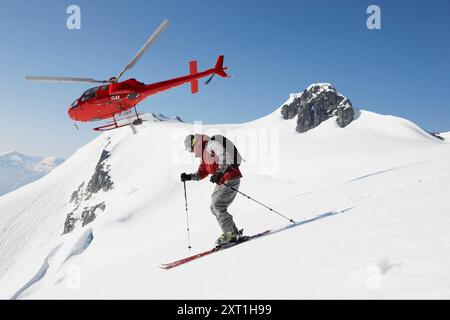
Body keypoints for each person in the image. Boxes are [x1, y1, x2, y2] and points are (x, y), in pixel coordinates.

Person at [181, 134, 243, 246]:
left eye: (190, 149)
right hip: (222, 181)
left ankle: (231, 235)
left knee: (218, 205)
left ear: (194, 143)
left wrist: (219, 172)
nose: (192, 152)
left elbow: (225, 155)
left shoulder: (211, 145)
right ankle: (232, 233)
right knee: (213, 208)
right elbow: (201, 173)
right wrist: (188, 177)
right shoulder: (204, 157)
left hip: (231, 177)